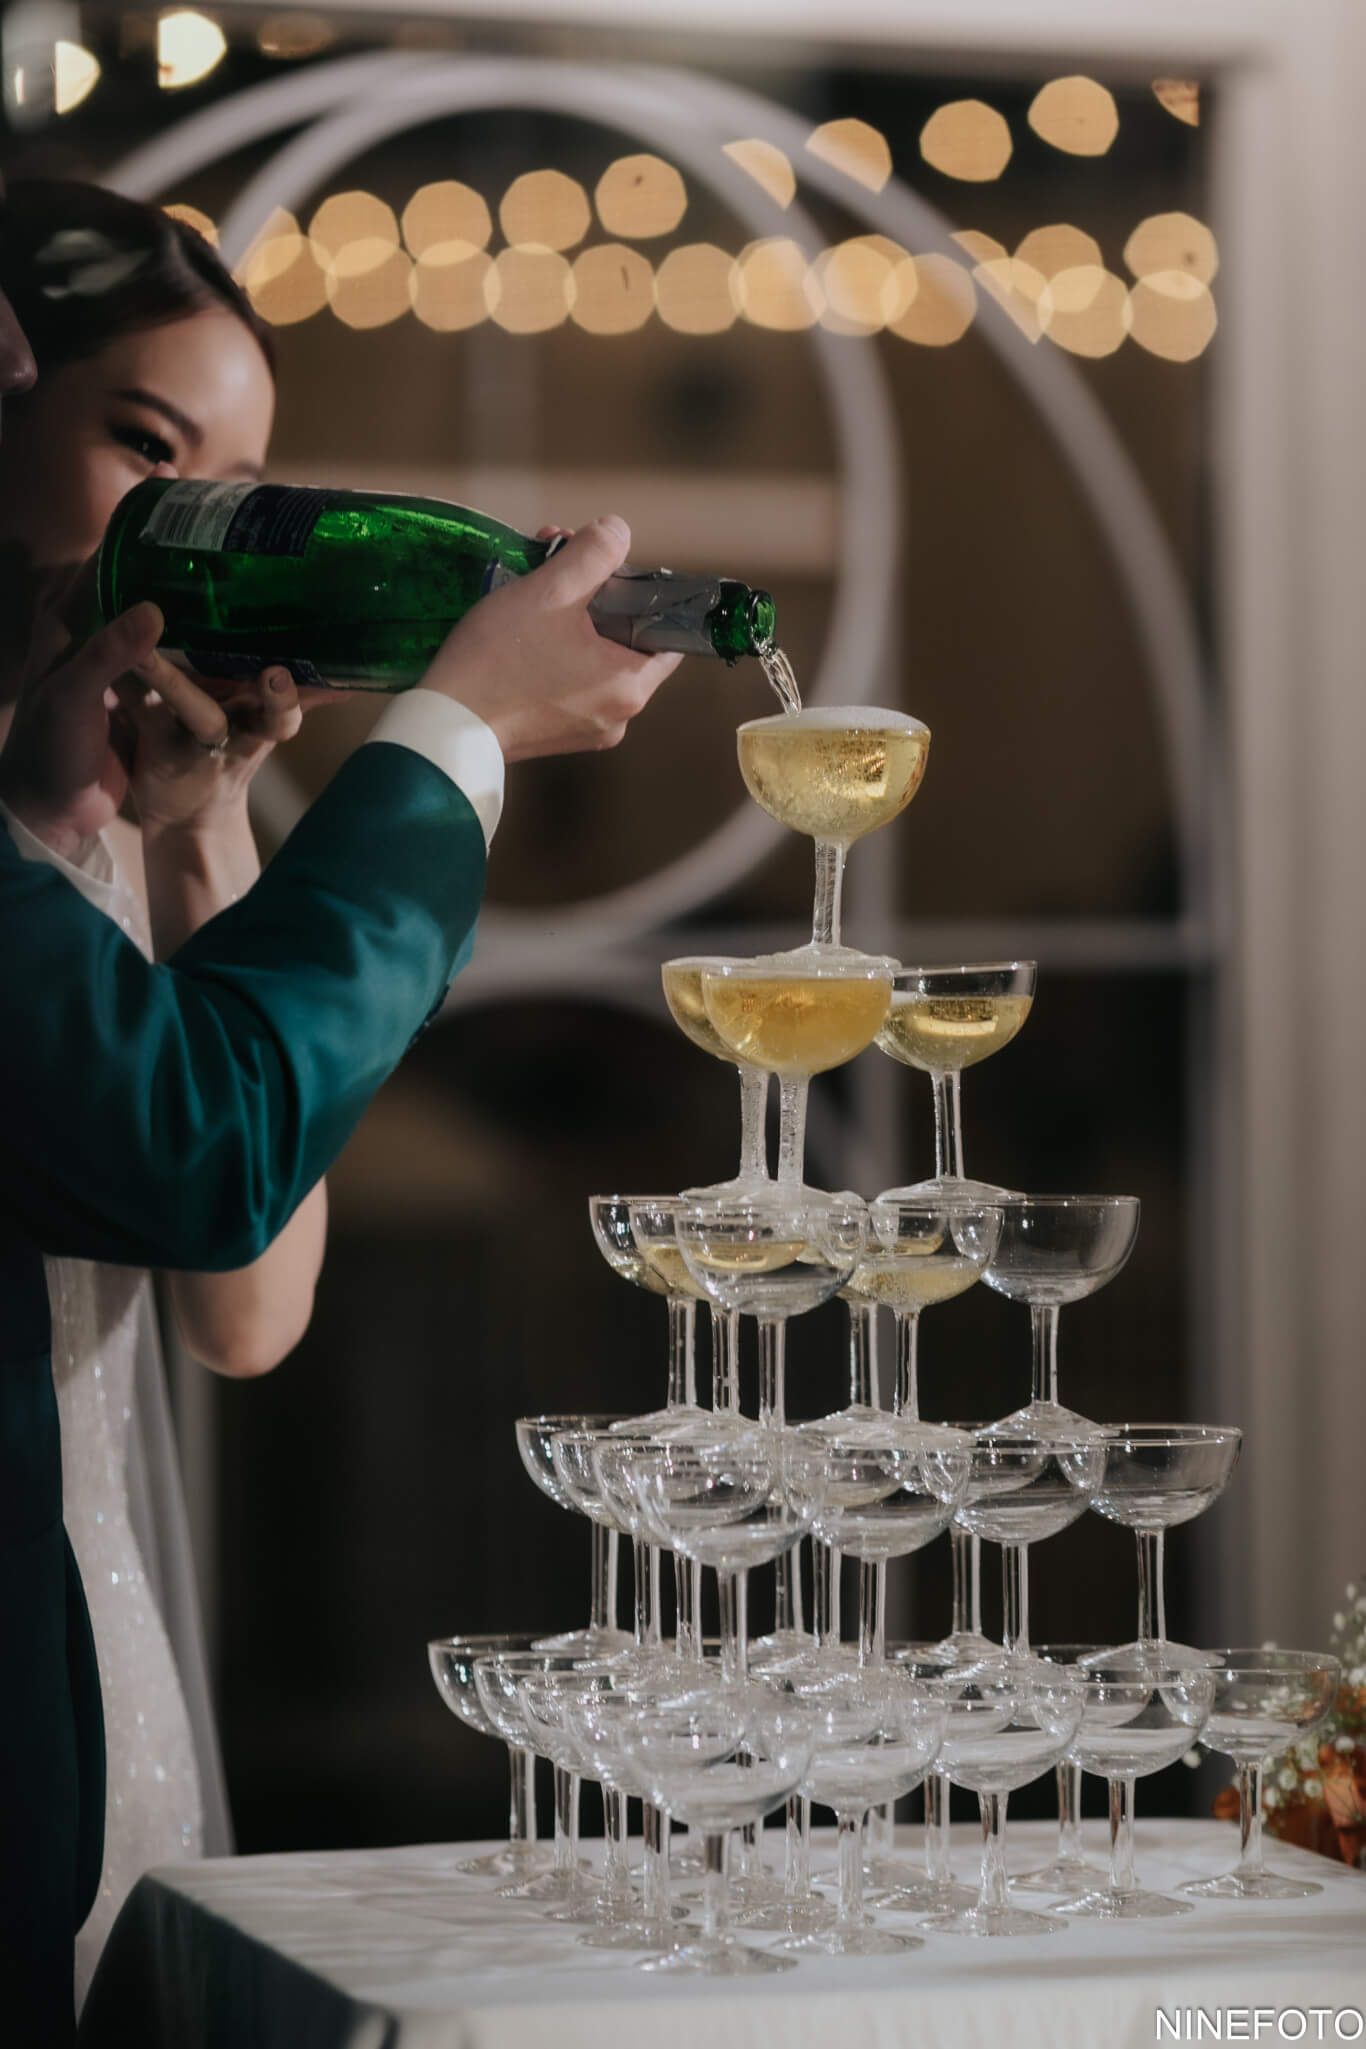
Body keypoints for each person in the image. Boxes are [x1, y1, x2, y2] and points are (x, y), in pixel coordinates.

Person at [0, 177, 679, 2041]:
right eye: (144, 451)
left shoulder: (61, 803)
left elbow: (244, 1313)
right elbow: (199, 1155)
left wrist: (198, 828)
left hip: (90, 1659)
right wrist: (458, 735)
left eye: (230, 485)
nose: (183, 529)